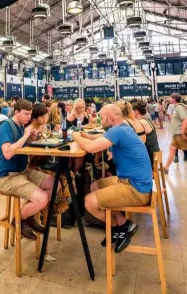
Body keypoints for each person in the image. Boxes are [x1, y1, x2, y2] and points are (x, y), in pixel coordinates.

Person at [73, 104, 152, 253]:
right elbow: (101, 137)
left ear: (110, 118)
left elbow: (91, 148)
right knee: (95, 186)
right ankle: (122, 224)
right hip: (131, 181)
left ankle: (117, 228)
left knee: (89, 202)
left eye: (102, 117)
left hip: (136, 189)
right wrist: (87, 136)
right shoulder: (123, 128)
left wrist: (76, 136)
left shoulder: (117, 131)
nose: (100, 120)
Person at [0, 99, 54, 240]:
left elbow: (20, 147)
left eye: (30, 114)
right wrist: (26, 135)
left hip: (22, 172)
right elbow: (8, 153)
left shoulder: (21, 126)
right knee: (42, 198)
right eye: (26, 114)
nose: (29, 117)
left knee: (54, 183)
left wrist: (30, 139)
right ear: (16, 112)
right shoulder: (6, 126)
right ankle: (19, 220)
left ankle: (27, 216)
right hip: (6, 177)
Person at [28, 104, 72, 214]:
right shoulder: (29, 130)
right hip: (34, 167)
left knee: (68, 173)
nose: (45, 119)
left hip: (46, 162)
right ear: (34, 117)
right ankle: (49, 210)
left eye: (45, 116)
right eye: (42, 117)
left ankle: (55, 210)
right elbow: (30, 153)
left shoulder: (44, 127)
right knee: (63, 176)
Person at [164, 93, 187, 173]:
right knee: (172, 149)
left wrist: (183, 131)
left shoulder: (179, 107)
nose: (169, 99)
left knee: (174, 149)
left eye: (170, 98)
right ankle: (166, 168)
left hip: (180, 132)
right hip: (176, 133)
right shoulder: (176, 107)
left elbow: (184, 119)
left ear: (174, 99)